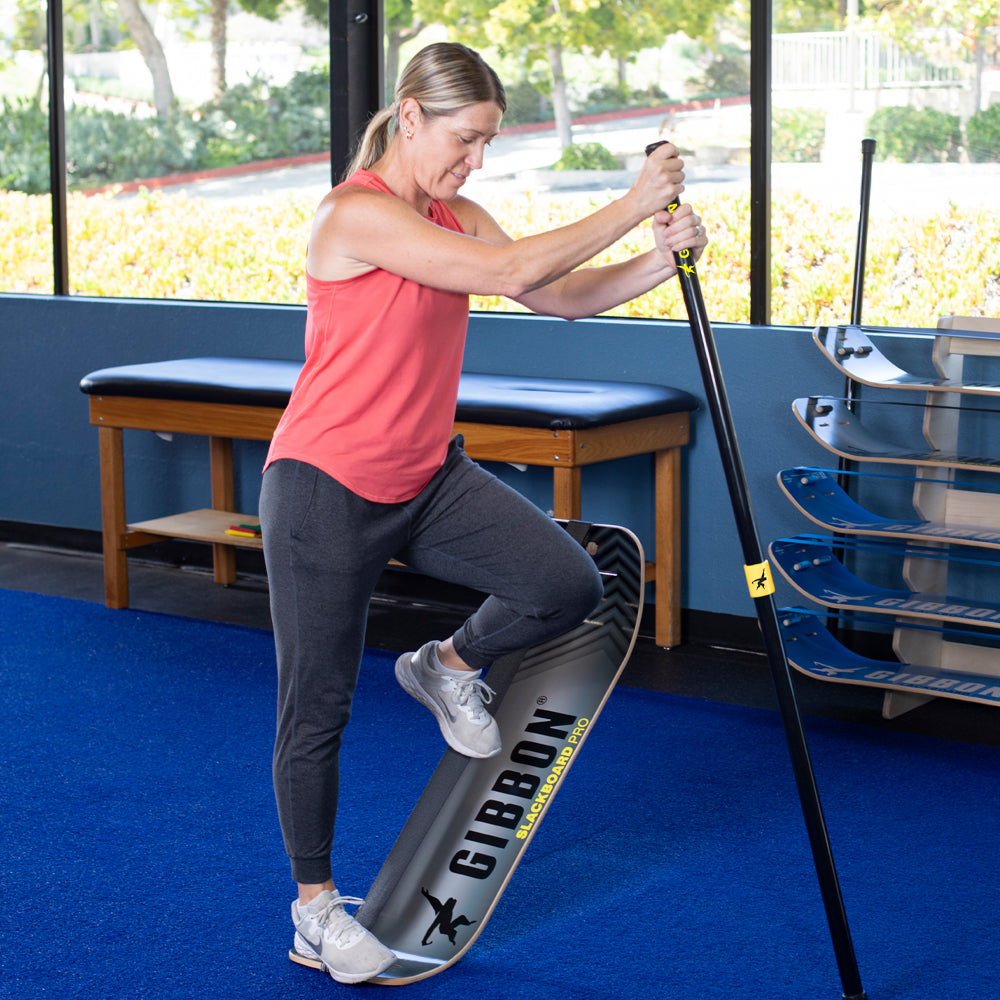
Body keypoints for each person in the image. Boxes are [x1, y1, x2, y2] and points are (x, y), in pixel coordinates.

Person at [258, 40, 708, 985]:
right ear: (411, 117)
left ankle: (445, 664)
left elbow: (564, 296)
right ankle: (313, 912)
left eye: (487, 145)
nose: (473, 163)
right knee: (318, 708)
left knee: (564, 582)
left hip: (427, 474)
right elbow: (502, 272)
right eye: (463, 140)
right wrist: (629, 203)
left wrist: (656, 260)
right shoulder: (354, 215)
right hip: (324, 488)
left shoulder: (458, 213)